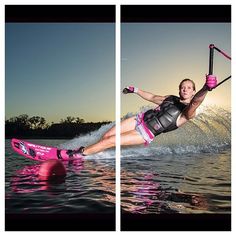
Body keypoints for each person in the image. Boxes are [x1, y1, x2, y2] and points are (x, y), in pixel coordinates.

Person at [65, 76, 217, 157]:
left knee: (111, 141)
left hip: (144, 132)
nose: (185, 89)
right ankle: (92, 152)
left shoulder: (188, 112)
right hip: (139, 119)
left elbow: (196, 102)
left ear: (193, 91)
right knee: (107, 136)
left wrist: (206, 88)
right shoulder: (170, 98)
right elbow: (152, 97)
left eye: (189, 88)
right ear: (179, 90)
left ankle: (79, 154)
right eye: (182, 87)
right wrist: (135, 90)